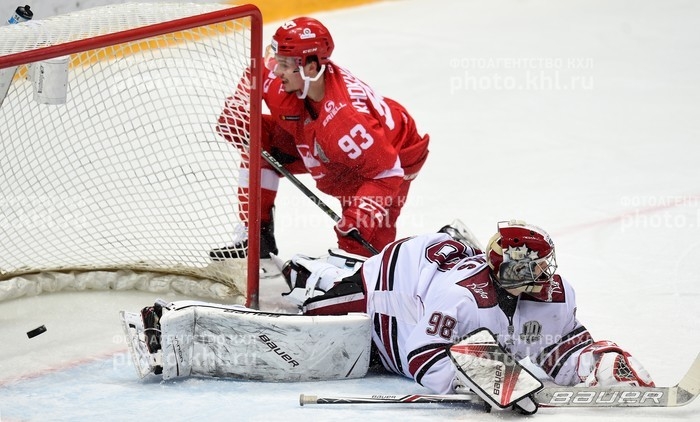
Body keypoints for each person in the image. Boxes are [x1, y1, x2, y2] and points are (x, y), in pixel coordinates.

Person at [281, 220, 655, 412]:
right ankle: (312, 271)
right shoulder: (460, 297)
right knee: (317, 306)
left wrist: (598, 363)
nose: (548, 275)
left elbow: (559, 347)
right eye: (538, 268)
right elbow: (421, 354)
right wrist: (476, 376)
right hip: (391, 284)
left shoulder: (556, 294)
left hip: (428, 286)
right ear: (514, 272)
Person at [210, 17, 430, 261]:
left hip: (391, 154)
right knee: (253, 135)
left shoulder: (345, 122)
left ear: (311, 68)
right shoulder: (294, 79)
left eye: (284, 64)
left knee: (361, 257)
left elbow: (385, 174)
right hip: (324, 140)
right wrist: (239, 106)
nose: (276, 70)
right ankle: (256, 236)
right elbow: (260, 67)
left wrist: (358, 217)